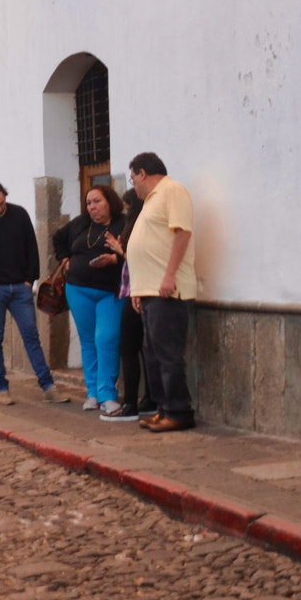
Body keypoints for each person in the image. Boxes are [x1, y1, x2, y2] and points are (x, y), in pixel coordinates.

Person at [0, 176, 66, 407]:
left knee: (31, 337)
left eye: (1, 203)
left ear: (5, 196)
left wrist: (30, 280)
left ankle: (48, 386)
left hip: (21, 288)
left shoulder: (19, 215)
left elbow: (32, 247)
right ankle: (2, 388)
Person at [126, 153, 197, 433]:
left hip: (167, 291)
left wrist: (169, 276)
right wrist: (138, 289)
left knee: (168, 354)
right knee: (153, 353)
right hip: (150, 291)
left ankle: (179, 411)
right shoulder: (151, 200)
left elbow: (182, 233)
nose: (133, 185)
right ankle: (164, 408)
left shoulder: (172, 190)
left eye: (133, 179)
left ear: (143, 173)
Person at [50, 184, 126, 418]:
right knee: (88, 341)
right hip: (78, 289)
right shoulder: (81, 223)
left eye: (97, 202)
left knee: (107, 338)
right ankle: (92, 392)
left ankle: (108, 395)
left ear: (110, 202)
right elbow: (58, 238)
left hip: (110, 291)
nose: (92, 207)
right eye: (89, 203)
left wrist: (115, 258)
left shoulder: (123, 224)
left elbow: (133, 251)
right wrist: (65, 258)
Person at [112, 190, 153, 424]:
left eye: (128, 207)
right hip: (136, 290)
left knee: (128, 348)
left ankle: (130, 404)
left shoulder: (138, 227)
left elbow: (138, 258)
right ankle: (149, 399)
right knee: (144, 349)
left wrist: (120, 251)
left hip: (135, 291)